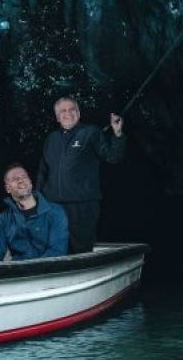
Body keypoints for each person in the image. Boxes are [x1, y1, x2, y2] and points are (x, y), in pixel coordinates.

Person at [36, 97, 125, 253]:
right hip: (53, 206)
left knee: (80, 249)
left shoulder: (91, 132)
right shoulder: (51, 139)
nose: (68, 113)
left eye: (72, 109)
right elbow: (43, 171)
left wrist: (117, 134)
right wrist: (38, 200)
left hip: (82, 205)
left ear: (78, 113)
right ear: (57, 117)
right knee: (54, 246)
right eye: (63, 111)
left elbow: (113, 157)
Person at [0, 163, 69, 260]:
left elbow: (58, 250)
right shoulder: (3, 220)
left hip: (50, 271)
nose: (20, 180)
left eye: (24, 176)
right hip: (19, 272)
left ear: (30, 182)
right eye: (14, 179)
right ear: (7, 188)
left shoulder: (55, 212)